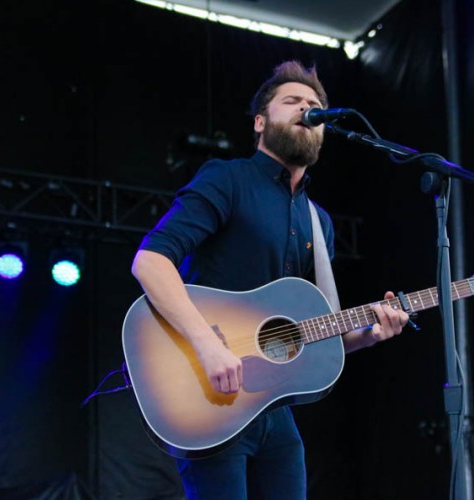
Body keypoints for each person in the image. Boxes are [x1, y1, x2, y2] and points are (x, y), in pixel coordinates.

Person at [132, 60, 409, 499]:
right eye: (292, 101)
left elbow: (317, 332)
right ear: (260, 122)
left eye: (314, 105)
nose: (306, 109)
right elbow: (150, 261)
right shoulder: (227, 178)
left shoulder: (317, 220)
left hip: (271, 407)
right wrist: (207, 345)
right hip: (208, 396)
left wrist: (369, 334)